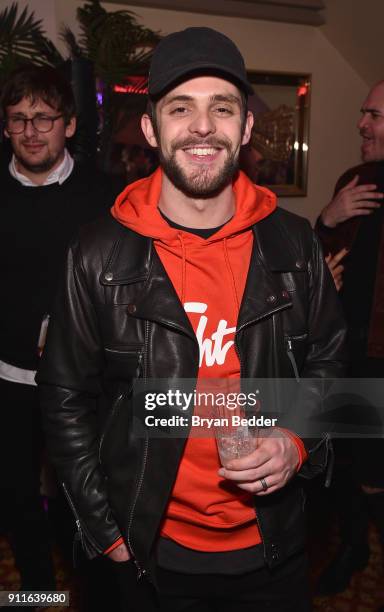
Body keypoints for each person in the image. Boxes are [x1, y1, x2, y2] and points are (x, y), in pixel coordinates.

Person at [38, 28, 346, 612]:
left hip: (273, 553)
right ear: (152, 129)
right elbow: (64, 397)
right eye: (181, 108)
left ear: (246, 128)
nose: (203, 127)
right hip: (148, 554)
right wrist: (107, 533)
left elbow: (332, 365)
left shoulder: (295, 244)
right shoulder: (98, 253)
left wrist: (296, 441)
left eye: (222, 108)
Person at [0, 65, 122, 594]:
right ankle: (36, 593)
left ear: (68, 125)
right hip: (7, 380)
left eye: (43, 118)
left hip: (82, 384)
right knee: (16, 496)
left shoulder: (106, 198)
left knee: (85, 497)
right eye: (18, 119)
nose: (30, 131)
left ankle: (89, 595)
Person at [315, 81, 384, 597]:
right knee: (342, 464)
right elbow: (316, 271)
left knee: (374, 473)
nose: (362, 124)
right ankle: (353, 547)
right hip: (348, 355)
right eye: (364, 113)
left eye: (375, 115)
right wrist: (326, 220)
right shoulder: (355, 181)